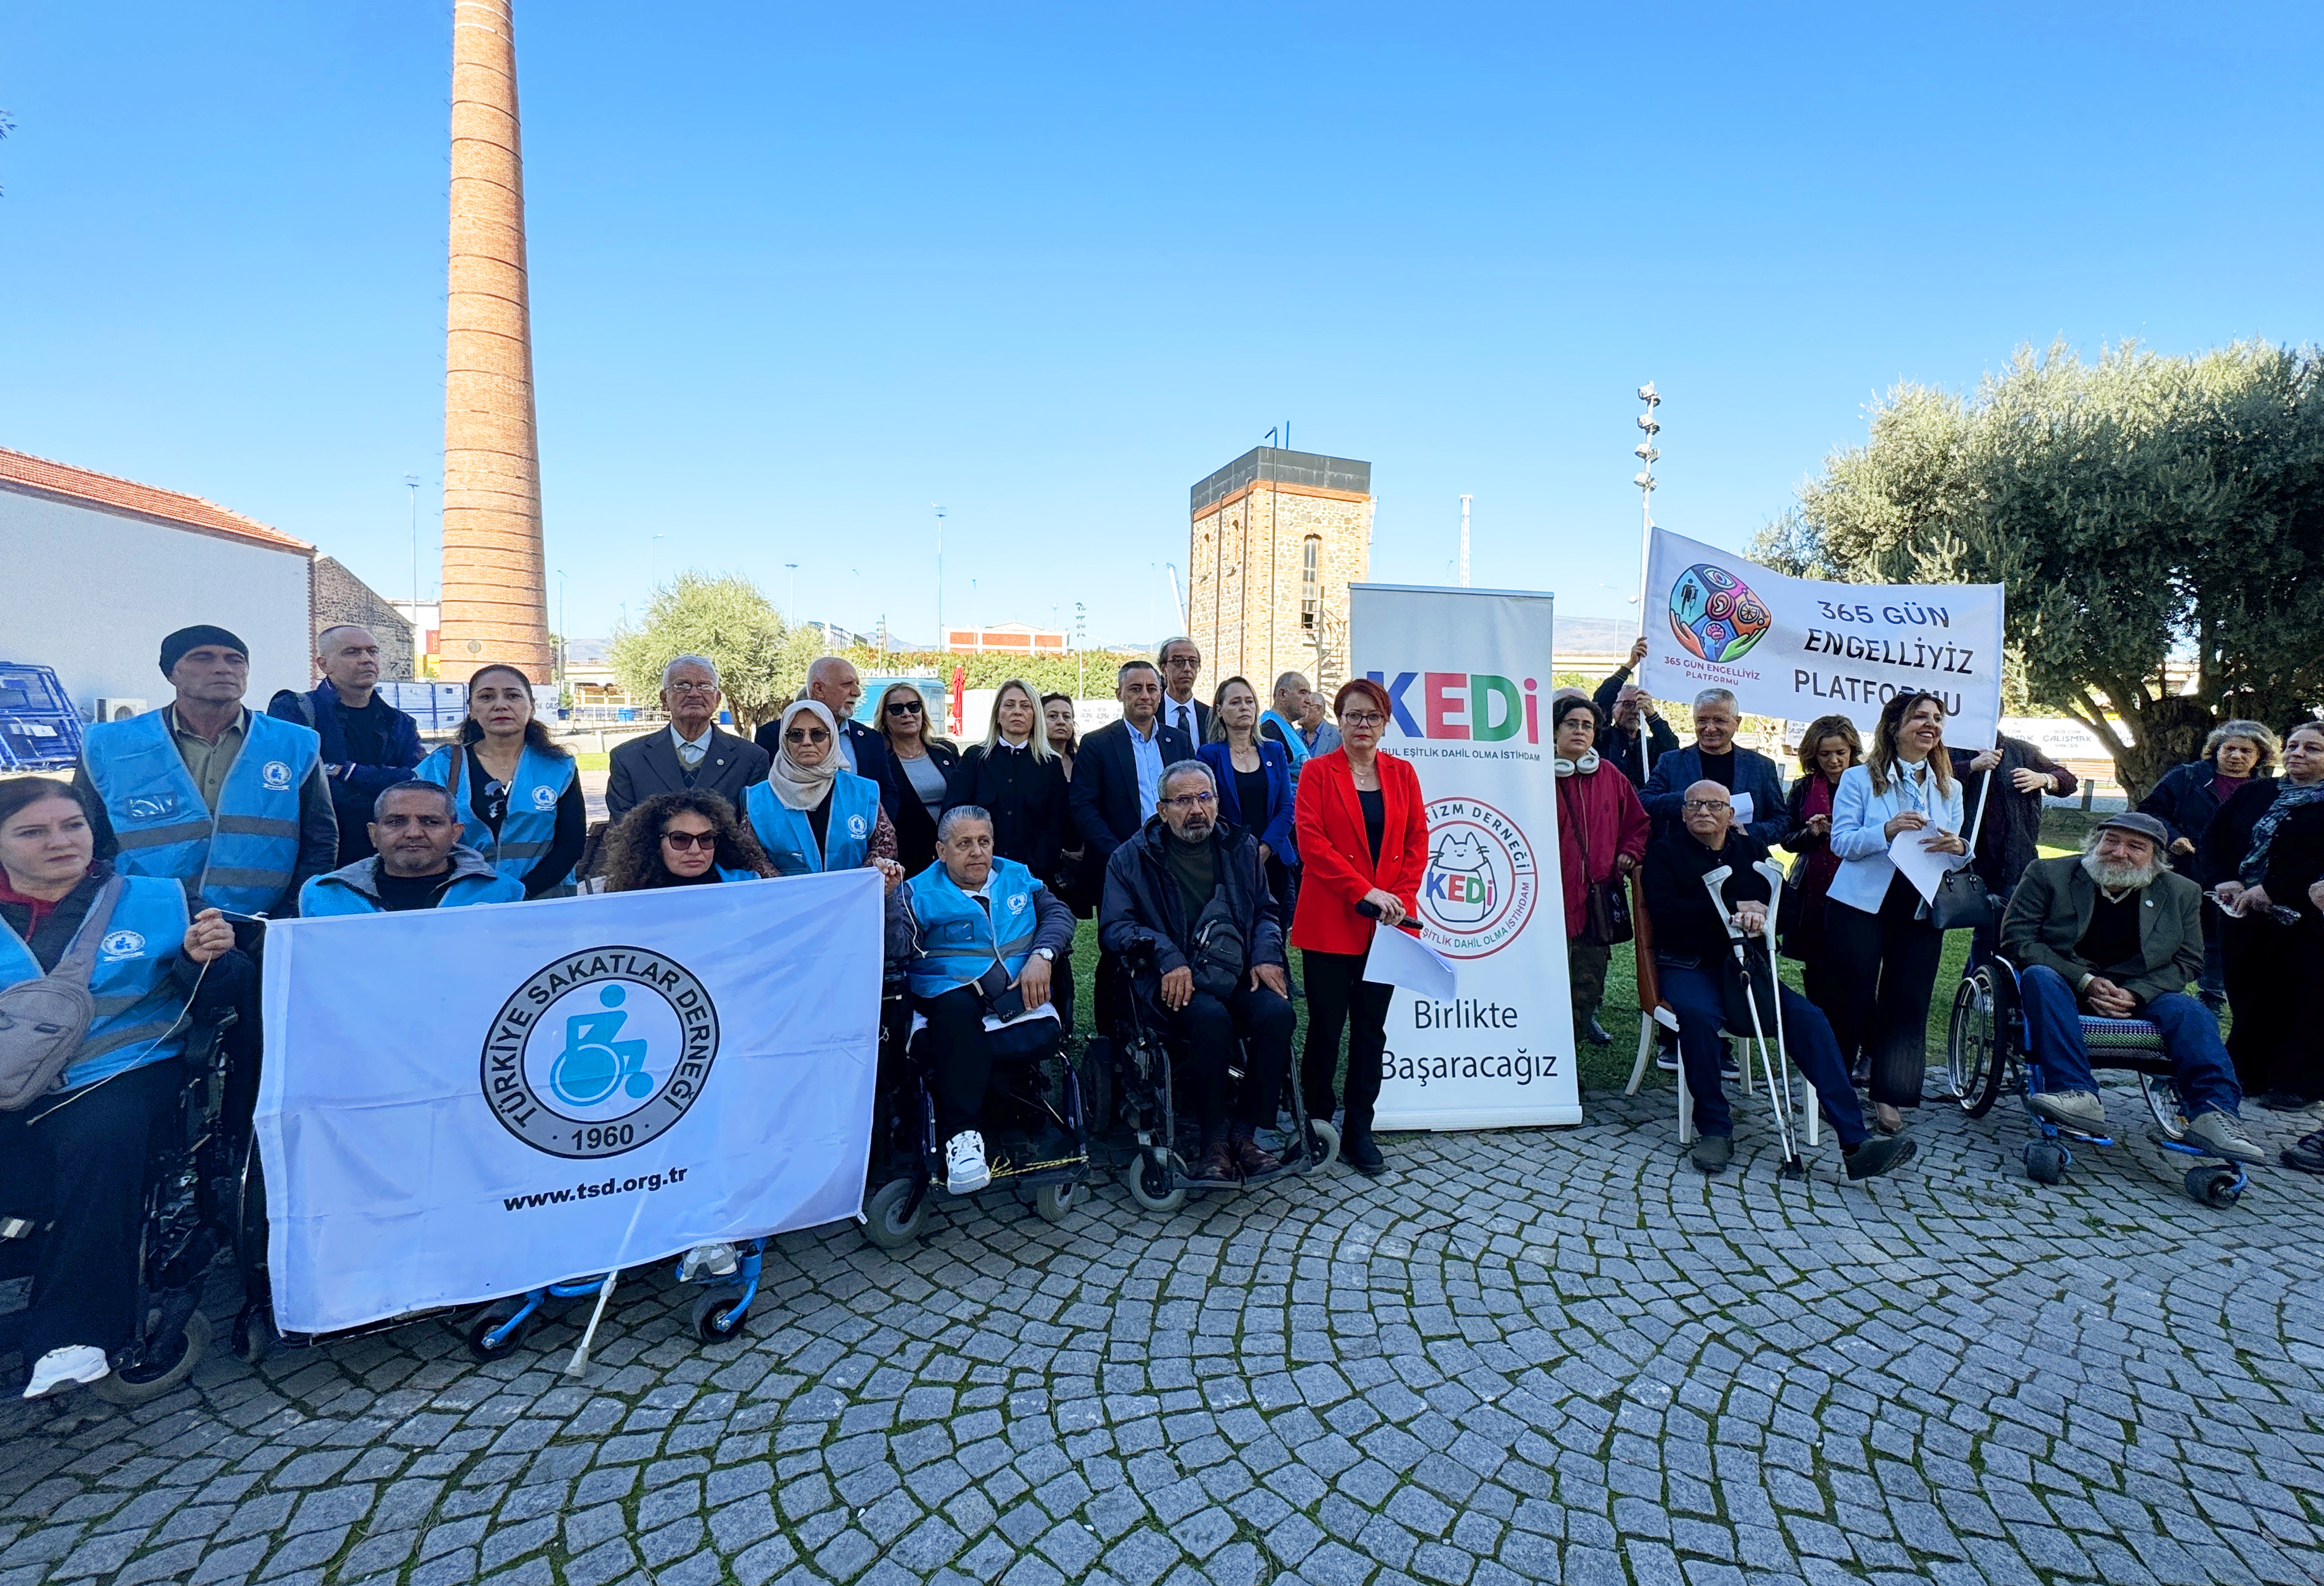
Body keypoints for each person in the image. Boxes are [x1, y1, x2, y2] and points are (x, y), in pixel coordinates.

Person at [0, 779, 249, 1400]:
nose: (59, 842)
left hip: (121, 1071)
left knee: (100, 1137)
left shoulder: (157, 899)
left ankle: (72, 1335)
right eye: (33, 832)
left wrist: (207, 958)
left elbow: (231, 993)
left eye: (72, 826)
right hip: (11, 1085)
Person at [1642, 778, 1919, 1181]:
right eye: (1694, 804)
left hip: (1747, 965)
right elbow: (1667, 914)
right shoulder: (1664, 854)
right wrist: (1735, 912)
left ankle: (1855, 1143)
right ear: (1683, 812)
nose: (1703, 811)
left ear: (1730, 815)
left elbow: (1788, 904)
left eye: (1714, 805)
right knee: (1699, 1019)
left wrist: (1766, 917)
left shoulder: (1751, 850)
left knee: (1810, 1018)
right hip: (1689, 964)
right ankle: (1716, 1129)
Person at [1995, 812, 2262, 1161]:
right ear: (2095, 843)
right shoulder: (2050, 874)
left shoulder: (2182, 892)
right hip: (2064, 982)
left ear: (2156, 858)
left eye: (2136, 846)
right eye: (2111, 841)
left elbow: (2189, 961)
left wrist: (2135, 993)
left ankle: (2216, 1114)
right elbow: (2018, 938)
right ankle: (2076, 1093)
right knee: (2038, 976)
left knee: (2192, 1011)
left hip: (2142, 991)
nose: (2120, 852)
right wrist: (2086, 981)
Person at [1101, 760, 1296, 1180]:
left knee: (1277, 1014)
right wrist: (1166, 954)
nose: (1196, 809)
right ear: (1162, 807)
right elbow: (1115, 927)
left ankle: (1244, 1135)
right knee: (1210, 1018)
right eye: (1184, 800)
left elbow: (1265, 909)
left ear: (1217, 801)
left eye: (1204, 797)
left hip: (1234, 968)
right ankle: (1212, 1141)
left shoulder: (1239, 847)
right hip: (1169, 980)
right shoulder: (1131, 857)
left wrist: (1265, 954)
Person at [75, 623, 338, 918]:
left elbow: (320, 839)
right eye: (202, 658)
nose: (222, 668)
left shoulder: (294, 743)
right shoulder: (109, 744)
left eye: (235, 659)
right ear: (170, 673)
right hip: (146, 918)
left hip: (257, 923)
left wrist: (289, 914)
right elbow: (86, 837)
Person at [886, 806, 1075, 1193]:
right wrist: (889, 902)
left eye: (984, 842)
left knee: (971, 1032)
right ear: (941, 850)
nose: (977, 852)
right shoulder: (918, 892)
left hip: (1020, 996)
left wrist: (1043, 956)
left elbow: (1059, 916)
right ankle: (963, 1139)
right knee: (955, 1012)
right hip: (950, 998)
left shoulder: (1017, 877)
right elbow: (896, 947)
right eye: (964, 843)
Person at [1293, 677, 1427, 1176]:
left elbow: (1417, 842)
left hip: (1387, 928)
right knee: (1326, 1029)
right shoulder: (1316, 774)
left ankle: (1359, 1131)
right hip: (1331, 923)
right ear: (1340, 721)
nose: (1362, 725)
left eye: (1372, 716)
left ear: (1386, 722)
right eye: (1353, 715)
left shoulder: (1404, 774)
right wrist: (1365, 893)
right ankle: (1316, 1123)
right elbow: (1313, 845)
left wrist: (1399, 900)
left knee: (1371, 1031)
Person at [1824, 691, 1968, 1133]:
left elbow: (1958, 853)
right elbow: (1841, 842)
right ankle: (1833, 1086)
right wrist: (1885, 829)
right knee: (1850, 998)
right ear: (1894, 726)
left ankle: (1890, 1093)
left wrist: (1960, 848)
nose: (1930, 724)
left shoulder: (1951, 786)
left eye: (1937, 719)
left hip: (1921, 905)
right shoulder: (1858, 779)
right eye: (1919, 717)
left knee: (1908, 1001)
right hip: (1861, 904)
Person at [1071, 662, 1197, 1031]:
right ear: (1119, 695)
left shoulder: (1179, 741)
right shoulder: (1097, 744)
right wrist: (1119, 854)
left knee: (1172, 940)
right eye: (1135, 689)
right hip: (1118, 864)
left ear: (1161, 694)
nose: (1145, 696)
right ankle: (1110, 1034)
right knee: (1117, 949)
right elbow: (1082, 806)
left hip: (1173, 861)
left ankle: (1168, 1022)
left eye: (1152, 689)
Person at [2206, 719, 2324, 1110]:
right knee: (2248, 992)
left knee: (2302, 998)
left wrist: (2272, 889)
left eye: (2312, 749)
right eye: (2292, 746)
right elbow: (2215, 838)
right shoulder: (2257, 792)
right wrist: (2225, 878)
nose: (2298, 754)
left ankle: (2298, 1083)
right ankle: (2246, 1072)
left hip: (2306, 918)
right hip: (2243, 913)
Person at [412, 664, 584, 899]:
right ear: (472, 709)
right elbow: (421, 839)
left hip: (543, 900)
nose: (500, 705)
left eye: (513, 695)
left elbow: (571, 845)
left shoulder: (558, 767)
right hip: (460, 900)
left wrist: (517, 893)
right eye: (487, 697)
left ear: (531, 706)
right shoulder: (440, 767)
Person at [2139, 721, 2277, 1012]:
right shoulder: (2186, 777)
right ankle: (2153, 988)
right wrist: (2173, 837)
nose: (2236, 756)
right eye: (2230, 748)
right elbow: (2150, 810)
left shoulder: (2268, 790)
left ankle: (2212, 996)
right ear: (2216, 750)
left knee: (2222, 932)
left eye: (2246, 751)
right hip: (2184, 868)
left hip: (2238, 876)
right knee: (2169, 930)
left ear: (2260, 756)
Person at [267, 624, 424, 865]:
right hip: (316, 857)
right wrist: (382, 787)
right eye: (352, 652)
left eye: (373, 651)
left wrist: (350, 772)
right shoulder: (296, 711)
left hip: (389, 857)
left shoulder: (400, 723)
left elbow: (418, 783)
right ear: (324, 664)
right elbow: (302, 784)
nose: (366, 659)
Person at [1552, 696, 1650, 1050]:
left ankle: (1569, 1062)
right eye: (1572, 724)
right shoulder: (1532, 772)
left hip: (1595, 905)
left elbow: (1638, 824)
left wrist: (1629, 852)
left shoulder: (1610, 775)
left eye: (1587, 726)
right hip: (1546, 904)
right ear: (1555, 729)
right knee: (1546, 985)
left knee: (1586, 985)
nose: (1580, 731)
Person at [1949, 733, 2079, 972]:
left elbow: (2068, 781)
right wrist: (1971, 767)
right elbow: (1930, 777)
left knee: (2006, 927)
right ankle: (1983, 981)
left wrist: (2044, 778)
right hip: (1967, 858)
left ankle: (1986, 981)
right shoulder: (1951, 748)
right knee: (1986, 925)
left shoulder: (2023, 751)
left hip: (2014, 860)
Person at [743, 700, 904, 889]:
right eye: (796, 735)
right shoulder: (759, 798)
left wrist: (854, 884)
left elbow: (886, 846)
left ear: (832, 738)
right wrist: (792, 891)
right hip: (786, 906)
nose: (807, 742)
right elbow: (749, 855)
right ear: (784, 741)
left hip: (853, 903)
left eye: (818, 734)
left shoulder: (862, 792)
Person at [298, 782, 525, 914]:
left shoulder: (505, 895)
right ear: (373, 834)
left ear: (455, 833)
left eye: (431, 822)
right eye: (396, 822)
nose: (414, 833)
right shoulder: (323, 895)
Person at [604, 655, 770, 826]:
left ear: (718, 699)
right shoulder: (627, 759)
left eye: (704, 686)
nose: (694, 693)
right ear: (664, 699)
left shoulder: (751, 759)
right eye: (682, 685)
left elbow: (755, 832)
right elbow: (624, 833)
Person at [1778, 716, 1861, 1043]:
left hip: (1857, 885)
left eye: (1840, 752)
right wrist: (1811, 833)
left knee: (1856, 970)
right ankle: (1820, 1039)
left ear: (1852, 750)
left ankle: (1863, 1046)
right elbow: (1786, 839)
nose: (1834, 761)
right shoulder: (1803, 788)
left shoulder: (1869, 782)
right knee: (1816, 969)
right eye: (1825, 754)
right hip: (1813, 889)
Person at [947, 680, 1071, 893]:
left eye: (1025, 706)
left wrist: (1033, 869)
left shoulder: (1050, 765)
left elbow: (1056, 826)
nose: (1017, 712)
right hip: (979, 877)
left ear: (1035, 716)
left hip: (1032, 877)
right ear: (997, 715)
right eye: (1009, 705)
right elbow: (954, 815)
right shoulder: (975, 759)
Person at [1199, 677, 1298, 910]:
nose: (1244, 707)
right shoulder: (1208, 755)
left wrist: (1266, 848)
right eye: (1235, 702)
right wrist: (1241, 853)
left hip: (1274, 860)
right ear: (1220, 711)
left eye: (1249, 701)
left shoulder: (1274, 750)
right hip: (1228, 862)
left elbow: (1286, 806)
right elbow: (1206, 808)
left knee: (1273, 937)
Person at [1639, 688, 1788, 845]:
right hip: (1682, 860)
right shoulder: (1671, 762)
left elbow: (1782, 821)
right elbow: (1644, 802)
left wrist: (1749, 832)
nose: (1710, 728)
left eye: (1719, 721)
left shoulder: (1761, 767)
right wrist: (1688, 800)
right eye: (1702, 720)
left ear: (1737, 723)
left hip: (1741, 860)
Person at [758, 657, 897, 819]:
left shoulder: (870, 739)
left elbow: (888, 793)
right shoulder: (773, 735)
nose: (857, 692)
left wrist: (872, 827)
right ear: (819, 689)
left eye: (857, 684)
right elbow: (767, 795)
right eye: (847, 684)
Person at [602, 790, 778, 890]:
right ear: (655, 844)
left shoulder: (749, 886)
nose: (695, 850)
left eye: (706, 839)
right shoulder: (629, 896)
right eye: (680, 839)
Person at [875, 682, 961, 876]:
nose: (907, 713)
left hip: (952, 855)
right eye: (897, 709)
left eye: (914, 707)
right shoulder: (879, 761)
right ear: (884, 718)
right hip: (907, 860)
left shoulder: (946, 752)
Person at [1155, 637, 1209, 746]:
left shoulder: (1211, 717)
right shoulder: (1152, 714)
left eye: (1193, 662)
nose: (1187, 668)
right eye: (1179, 661)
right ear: (1163, 668)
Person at [1258, 671, 1314, 776]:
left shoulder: (1285, 727)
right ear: (1282, 694)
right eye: (1302, 693)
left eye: (1309, 694)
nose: (1309, 701)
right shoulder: (1269, 729)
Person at [1296, 689, 1342, 758]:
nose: (1301, 710)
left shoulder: (1338, 735)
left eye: (1307, 705)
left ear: (1318, 709)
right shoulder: (1295, 735)